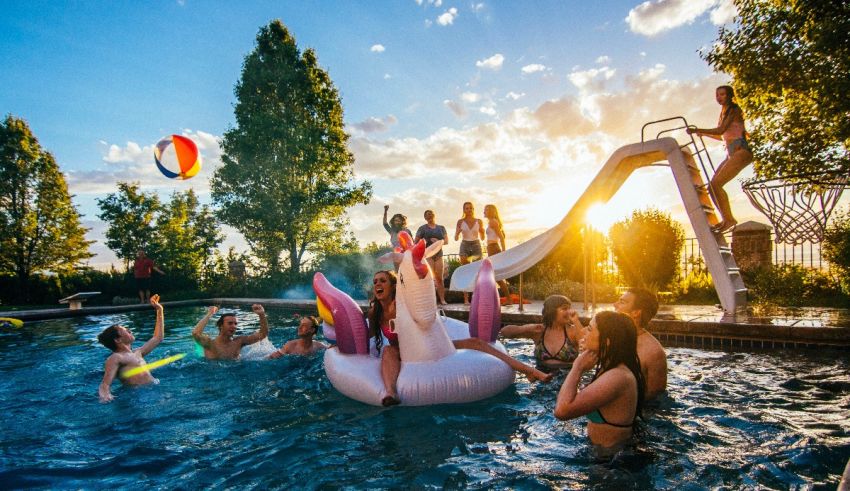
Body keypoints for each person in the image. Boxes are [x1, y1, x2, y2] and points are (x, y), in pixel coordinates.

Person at [369, 270, 553, 406]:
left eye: (382, 280)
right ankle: (391, 393)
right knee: (388, 350)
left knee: (476, 343)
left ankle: (529, 371)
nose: (378, 284)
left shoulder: (404, 306)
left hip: (426, 347)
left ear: (393, 286)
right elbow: (367, 337)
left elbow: (424, 323)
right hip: (404, 352)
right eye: (375, 281)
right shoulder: (374, 313)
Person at [554, 311, 645, 449]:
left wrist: (577, 368)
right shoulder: (612, 369)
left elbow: (561, 411)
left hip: (610, 464)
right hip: (605, 456)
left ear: (607, 341)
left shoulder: (617, 377)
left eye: (590, 329)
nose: (584, 332)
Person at [686, 85, 754, 234]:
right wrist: (704, 134)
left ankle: (729, 219)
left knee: (717, 184)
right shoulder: (722, 112)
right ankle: (726, 218)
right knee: (712, 187)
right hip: (731, 152)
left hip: (741, 151)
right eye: (717, 95)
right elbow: (720, 135)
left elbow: (720, 130)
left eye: (722, 94)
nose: (719, 97)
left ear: (729, 95)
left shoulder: (734, 110)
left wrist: (698, 130)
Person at [97, 294, 165, 403]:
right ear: (118, 340)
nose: (129, 330)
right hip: (138, 397)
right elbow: (105, 384)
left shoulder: (138, 352)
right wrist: (105, 395)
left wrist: (159, 310)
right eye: (125, 330)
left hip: (153, 390)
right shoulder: (115, 358)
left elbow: (158, 338)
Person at [500, 295, 585, 370]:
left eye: (569, 308)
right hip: (541, 377)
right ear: (552, 311)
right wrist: (526, 328)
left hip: (566, 378)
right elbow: (505, 333)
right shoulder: (539, 331)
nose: (569, 312)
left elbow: (587, 346)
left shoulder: (572, 331)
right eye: (564, 308)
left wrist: (576, 321)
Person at [614, 288, 667, 400]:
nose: (615, 305)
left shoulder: (653, 352)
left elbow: (656, 398)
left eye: (622, 302)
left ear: (636, 312)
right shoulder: (613, 338)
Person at [192, 304, 269, 360]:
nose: (234, 326)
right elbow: (196, 333)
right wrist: (209, 314)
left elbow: (262, 335)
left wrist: (261, 315)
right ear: (220, 325)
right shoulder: (210, 344)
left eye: (235, 323)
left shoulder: (239, 342)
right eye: (230, 323)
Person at [414, 209, 449, 305]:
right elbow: (415, 242)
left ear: (434, 215)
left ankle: (442, 299)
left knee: (439, 278)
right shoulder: (422, 228)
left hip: (439, 255)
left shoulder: (441, 228)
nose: (429, 216)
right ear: (425, 218)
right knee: (429, 278)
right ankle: (430, 300)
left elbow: (446, 241)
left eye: (430, 214)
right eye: (427, 215)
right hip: (427, 254)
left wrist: (438, 241)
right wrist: (426, 241)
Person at [454, 202, 485, 304]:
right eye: (467, 208)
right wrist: (458, 232)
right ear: (464, 210)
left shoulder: (479, 221)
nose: (469, 210)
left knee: (477, 271)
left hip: (476, 245)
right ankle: (466, 299)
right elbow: (455, 238)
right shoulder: (460, 221)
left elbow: (483, 238)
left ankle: (477, 297)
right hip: (465, 245)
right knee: (465, 271)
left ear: (473, 209)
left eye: (471, 208)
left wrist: (482, 232)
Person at [484, 204, 511, 305]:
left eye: (486, 210)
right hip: (491, 248)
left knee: (496, 276)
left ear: (491, 211)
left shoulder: (493, 222)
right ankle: (501, 298)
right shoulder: (491, 222)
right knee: (494, 276)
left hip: (494, 248)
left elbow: (501, 237)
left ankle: (508, 299)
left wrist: (504, 251)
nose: (484, 211)